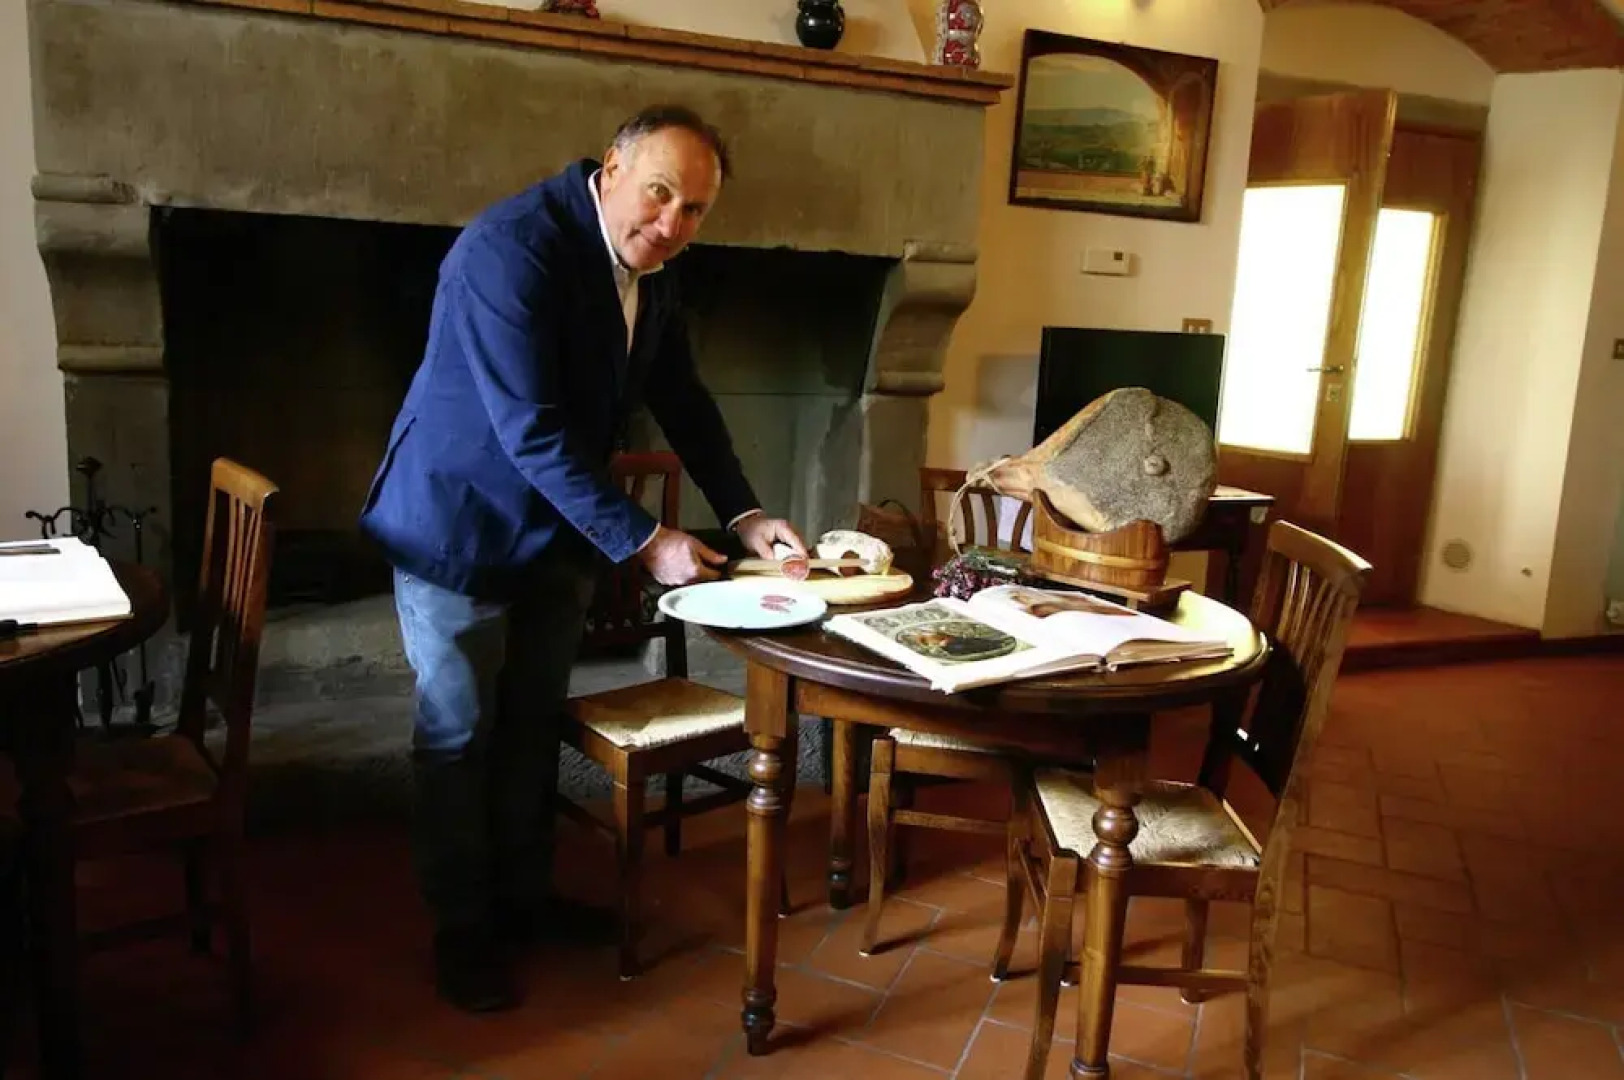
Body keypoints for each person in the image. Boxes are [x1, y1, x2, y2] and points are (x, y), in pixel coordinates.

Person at [357, 104, 807, 1013]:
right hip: (457, 526)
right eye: (660, 195)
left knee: (529, 724)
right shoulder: (508, 250)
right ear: (612, 169)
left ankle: (523, 900)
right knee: (455, 735)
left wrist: (747, 513)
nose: (672, 224)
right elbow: (529, 429)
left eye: (695, 210)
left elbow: (682, 396)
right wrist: (645, 541)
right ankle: (464, 930)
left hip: (557, 535)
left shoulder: (659, 267)